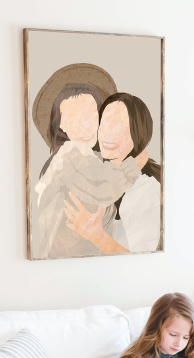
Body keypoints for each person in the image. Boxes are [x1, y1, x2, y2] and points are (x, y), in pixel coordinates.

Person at [35, 84, 144, 258]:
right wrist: (131, 167)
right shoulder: (71, 154)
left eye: (91, 116)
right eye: (75, 119)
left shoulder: (90, 158)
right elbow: (103, 187)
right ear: (62, 124)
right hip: (67, 255)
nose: (85, 126)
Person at [64, 93, 162, 254]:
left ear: (139, 134)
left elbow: (142, 259)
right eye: (105, 124)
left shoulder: (145, 188)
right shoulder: (96, 173)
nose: (109, 134)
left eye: (120, 127)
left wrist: (95, 235)